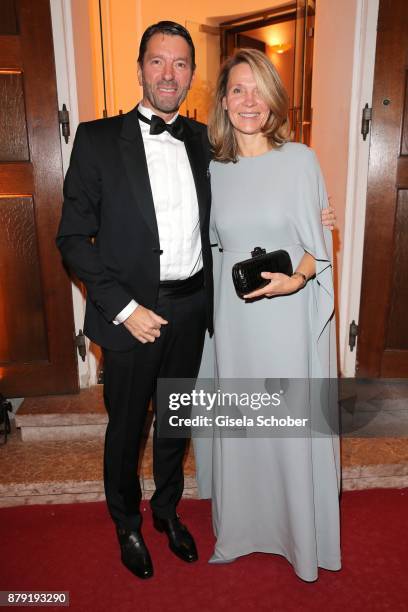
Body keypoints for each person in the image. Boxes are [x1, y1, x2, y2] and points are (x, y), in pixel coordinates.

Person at [57, 20, 335, 581]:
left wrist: (315, 231)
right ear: (140, 68)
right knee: (128, 427)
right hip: (130, 314)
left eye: (180, 64)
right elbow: (71, 239)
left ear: (191, 77)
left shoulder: (204, 145)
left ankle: (166, 513)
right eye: (157, 61)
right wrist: (124, 309)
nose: (168, 73)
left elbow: (251, 206)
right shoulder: (96, 138)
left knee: (176, 424)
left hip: (194, 310)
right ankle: (127, 524)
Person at [194, 48, 341, 582]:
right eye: (237, 90)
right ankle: (240, 531)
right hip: (234, 324)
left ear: (273, 99)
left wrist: (295, 280)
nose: (248, 100)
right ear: (224, 102)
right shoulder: (213, 170)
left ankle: (298, 538)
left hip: (285, 317)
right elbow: (205, 247)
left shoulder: (300, 159)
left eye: (258, 89)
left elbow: (317, 242)